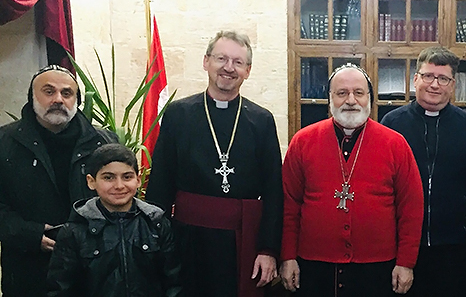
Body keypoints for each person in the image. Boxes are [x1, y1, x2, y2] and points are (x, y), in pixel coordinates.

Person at [146, 30, 283, 297]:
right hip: (186, 239)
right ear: (206, 61)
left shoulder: (261, 120)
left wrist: (268, 250)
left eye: (238, 62)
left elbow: (273, 190)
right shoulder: (178, 114)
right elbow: (161, 181)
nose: (229, 68)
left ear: (248, 70)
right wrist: (155, 242)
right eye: (222, 58)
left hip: (242, 241)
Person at [280, 63, 424, 297]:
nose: (350, 100)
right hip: (314, 264)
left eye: (358, 93)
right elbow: (289, 205)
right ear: (330, 99)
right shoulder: (303, 141)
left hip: (377, 267)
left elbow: (411, 209)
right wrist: (287, 256)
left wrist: (406, 262)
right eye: (341, 93)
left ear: (369, 98)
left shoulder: (395, 144)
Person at [0, 65, 117, 297]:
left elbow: (118, 199)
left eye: (66, 93)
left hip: (90, 268)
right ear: (32, 97)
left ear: (77, 100)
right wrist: (30, 234)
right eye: (48, 91)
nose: (58, 100)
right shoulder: (4, 142)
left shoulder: (104, 143)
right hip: (28, 268)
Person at [381, 46, 466, 297]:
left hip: (453, 246)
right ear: (415, 79)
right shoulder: (392, 124)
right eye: (428, 76)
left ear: (453, 84)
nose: (434, 85)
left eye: (443, 79)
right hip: (402, 245)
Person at [47, 144, 181, 296]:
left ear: (138, 180)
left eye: (127, 177)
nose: (119, 186)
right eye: (108, 177)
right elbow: (61, 288)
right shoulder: (75, 231)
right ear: (91, 181)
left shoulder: (156, 224)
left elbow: (173, 282)